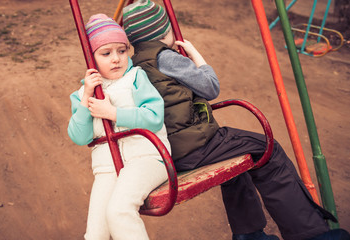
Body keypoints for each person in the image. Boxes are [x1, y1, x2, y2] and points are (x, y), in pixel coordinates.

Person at [122, 1, 350, 240]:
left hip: (168, 152)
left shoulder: (135, 66)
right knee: (267, 148)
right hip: (196, 146)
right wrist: (197, 57)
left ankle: (248, 234)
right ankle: (309, 233)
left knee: (235, 161)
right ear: (163, 33)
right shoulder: (168, 58)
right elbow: (211, 88)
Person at [67, 14, 171, 240]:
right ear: (91, 59)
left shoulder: (135, 78)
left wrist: (112, 113)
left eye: (121, 51)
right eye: (106, 53)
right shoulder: (82, 95)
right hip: (107, 170)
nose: (116, 59)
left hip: (147, 158)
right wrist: (86, 98)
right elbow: (80, 136)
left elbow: (154, 117)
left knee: (119, 211)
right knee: (95, 234)